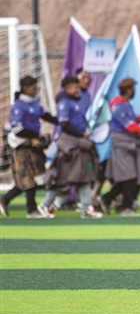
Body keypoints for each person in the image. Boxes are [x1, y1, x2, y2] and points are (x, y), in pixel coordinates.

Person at [39, 76, 101, 219]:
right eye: (76, 87)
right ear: (67, 88)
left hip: (79, 144)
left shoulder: (77, 101)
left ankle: (86, 207)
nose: (78, 90)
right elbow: (64, 124)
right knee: (63, 178)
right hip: (69, 145)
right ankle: (45, 204)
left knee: (82, 176)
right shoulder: (64, 103)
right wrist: (81, 134)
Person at [0, 76, 57, 218]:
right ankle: (31, 210)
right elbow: (17, 129)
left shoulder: (35, 102)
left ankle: (5, 199)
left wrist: (59, 122)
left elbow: (44, 115)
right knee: (28, 178)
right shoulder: (18, 105)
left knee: (34, 177)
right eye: (33, 87)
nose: (35, 89)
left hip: (33, 145)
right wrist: (37, 136)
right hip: (22, 145)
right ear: (25, 88)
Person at [99, 78, 140, 216]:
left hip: (127, 145)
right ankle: (126, 207)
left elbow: (133, 119)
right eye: (133, 89)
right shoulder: (119, 107)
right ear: (128, 90)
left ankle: (107, 199)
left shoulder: (125, 105)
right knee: (130, 177)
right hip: (123, 146)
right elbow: (130, 126)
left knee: (127, 178)